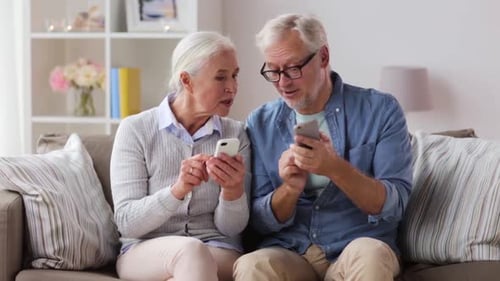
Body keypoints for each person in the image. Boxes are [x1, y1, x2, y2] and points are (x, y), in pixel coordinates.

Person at [233, 13, 413, 281]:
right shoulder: (260, 122)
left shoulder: (380, 110)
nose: (282, 82)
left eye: (293, 68)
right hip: (291, 251)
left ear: (324, 57)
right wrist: (290, 189)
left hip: (356, 246)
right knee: (253, 265)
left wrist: (334, 168)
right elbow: (258, 220)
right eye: (273, 70)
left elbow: (394, 204)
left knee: (371, 254)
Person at [110, 31, 251, 281]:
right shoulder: (136, 129)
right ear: (187, 81)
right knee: (190, 252)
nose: (233, 87)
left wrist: (233, 190)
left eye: (234, 75)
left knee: (193, 258)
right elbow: (127, 222)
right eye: (221, 77)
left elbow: (232, 229)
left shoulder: (236, 134)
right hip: (146, 251)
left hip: (217, 250)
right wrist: (177, 190)